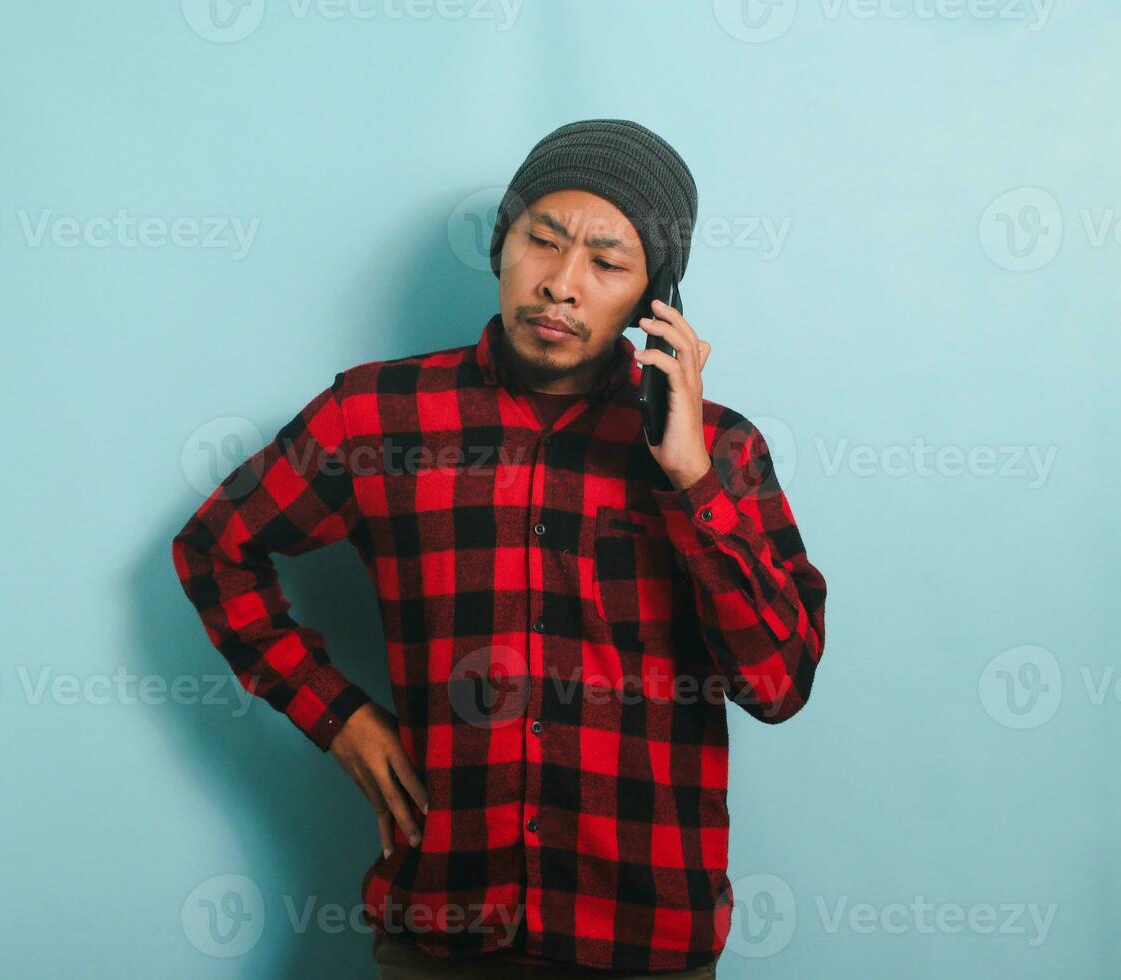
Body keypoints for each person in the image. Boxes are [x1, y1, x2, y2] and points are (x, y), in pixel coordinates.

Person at [171, 118, 828, 978]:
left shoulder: (723, 451)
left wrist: (691, 481)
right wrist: (336, 716)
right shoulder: (378, 417)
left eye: (607, 262)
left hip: (642, 939)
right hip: (439, 931)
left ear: (654, 300)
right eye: (541, 241)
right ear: (500, 245)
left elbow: (778, 686)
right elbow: (214, 550)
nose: (561, 284)